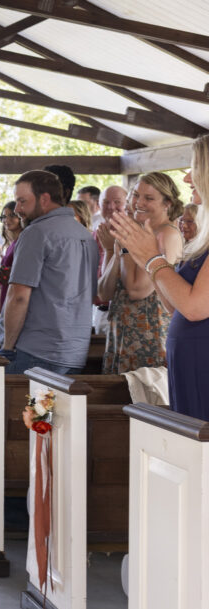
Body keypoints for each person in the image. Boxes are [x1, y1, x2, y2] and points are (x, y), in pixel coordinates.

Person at [111, 134, 209, 420]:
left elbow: (193, 308)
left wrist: (153, 259)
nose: (188, 178)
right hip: (189, 359)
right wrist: (144, 256)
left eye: (195, 167)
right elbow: (174, 306)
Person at [0, 170, 98, 374]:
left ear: (44, 199)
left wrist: (7, 348)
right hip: (75, 353)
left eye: (22, 201)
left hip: (36, 350)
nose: (17, 209)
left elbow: (19, 296)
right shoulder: (85, 235)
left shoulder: (36, 233)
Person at [97, 172, 184, 374]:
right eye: (136, 195)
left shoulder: (166, 234)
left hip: (150, 338)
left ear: (167, 203)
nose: (138, 202)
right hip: (122, 335)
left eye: (149, 198)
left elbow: (137, 290)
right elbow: (104, 293)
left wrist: (127, 247)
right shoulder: (134, 233)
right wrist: (113, 251)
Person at [92, 185, 127, 335]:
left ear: (128, 203)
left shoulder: (132, 234)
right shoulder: (95, 234)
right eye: (106, 202)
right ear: (99, 205)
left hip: (123, 312)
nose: (111, 207)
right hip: (98, 311)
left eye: (117, 202)